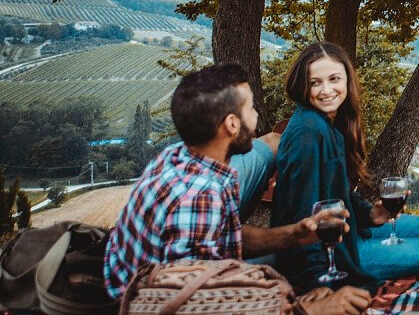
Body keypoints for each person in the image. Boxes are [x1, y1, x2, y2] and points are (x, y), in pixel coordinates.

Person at [104, 62, 370, 315]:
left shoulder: (182, 157)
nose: (256, 116)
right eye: (251, 108)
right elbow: (188, 303)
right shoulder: (199, 197)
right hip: (139, 301)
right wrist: (305, 309)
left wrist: (294, 234)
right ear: (232, 124)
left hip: (145, 279)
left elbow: (226, 236)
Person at [271, 42, 419, 294]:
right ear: (303, 85)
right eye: (315, 82)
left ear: (347, 79)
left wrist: (371, 214)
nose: (326, 90)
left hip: (349, 229)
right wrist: (318, 285)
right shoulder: (308, 133)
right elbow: (303, 216)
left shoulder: (330, 124)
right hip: (334, 251)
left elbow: (339, 194)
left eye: (334, 79)